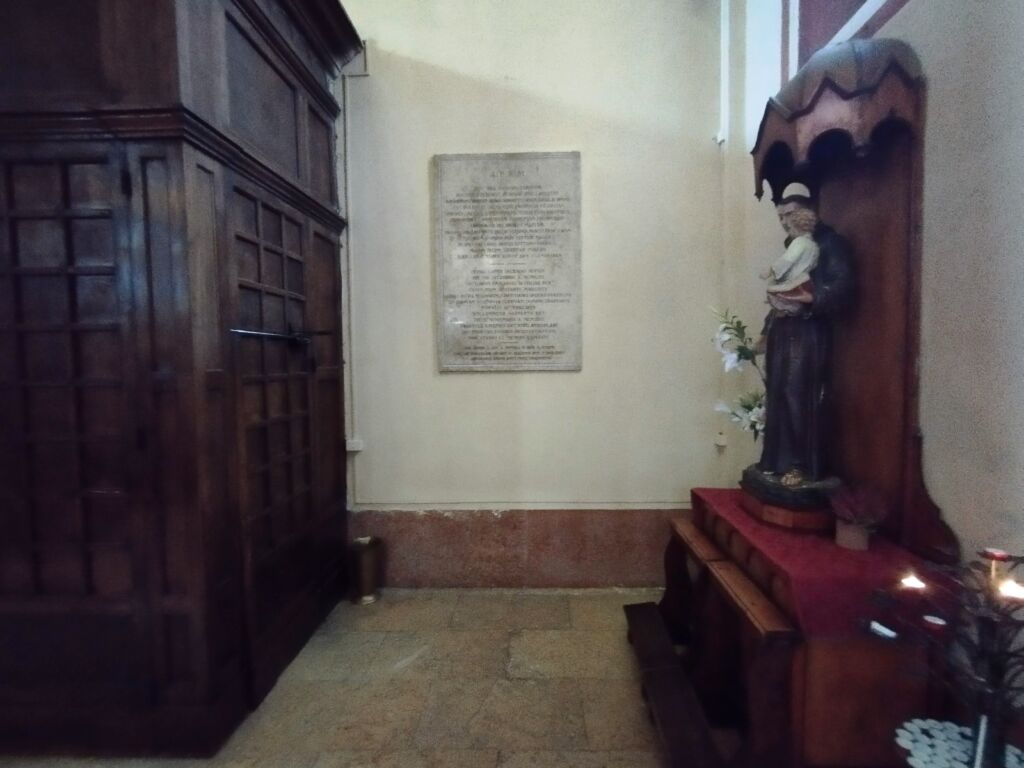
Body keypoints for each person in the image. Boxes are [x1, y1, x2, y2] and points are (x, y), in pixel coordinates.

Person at [756, 183, 855, 487]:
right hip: (785, 329)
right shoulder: (796, 244)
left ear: (808, 212)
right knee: (777, 393)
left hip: (808, 331)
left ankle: (800, 465)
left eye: (790, 214)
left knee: (797, 394)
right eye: (781, 217)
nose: (784, 222)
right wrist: (766, 330)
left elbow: (844, 286)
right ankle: (777, 461)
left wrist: (812, 297)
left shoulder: (829, 243)